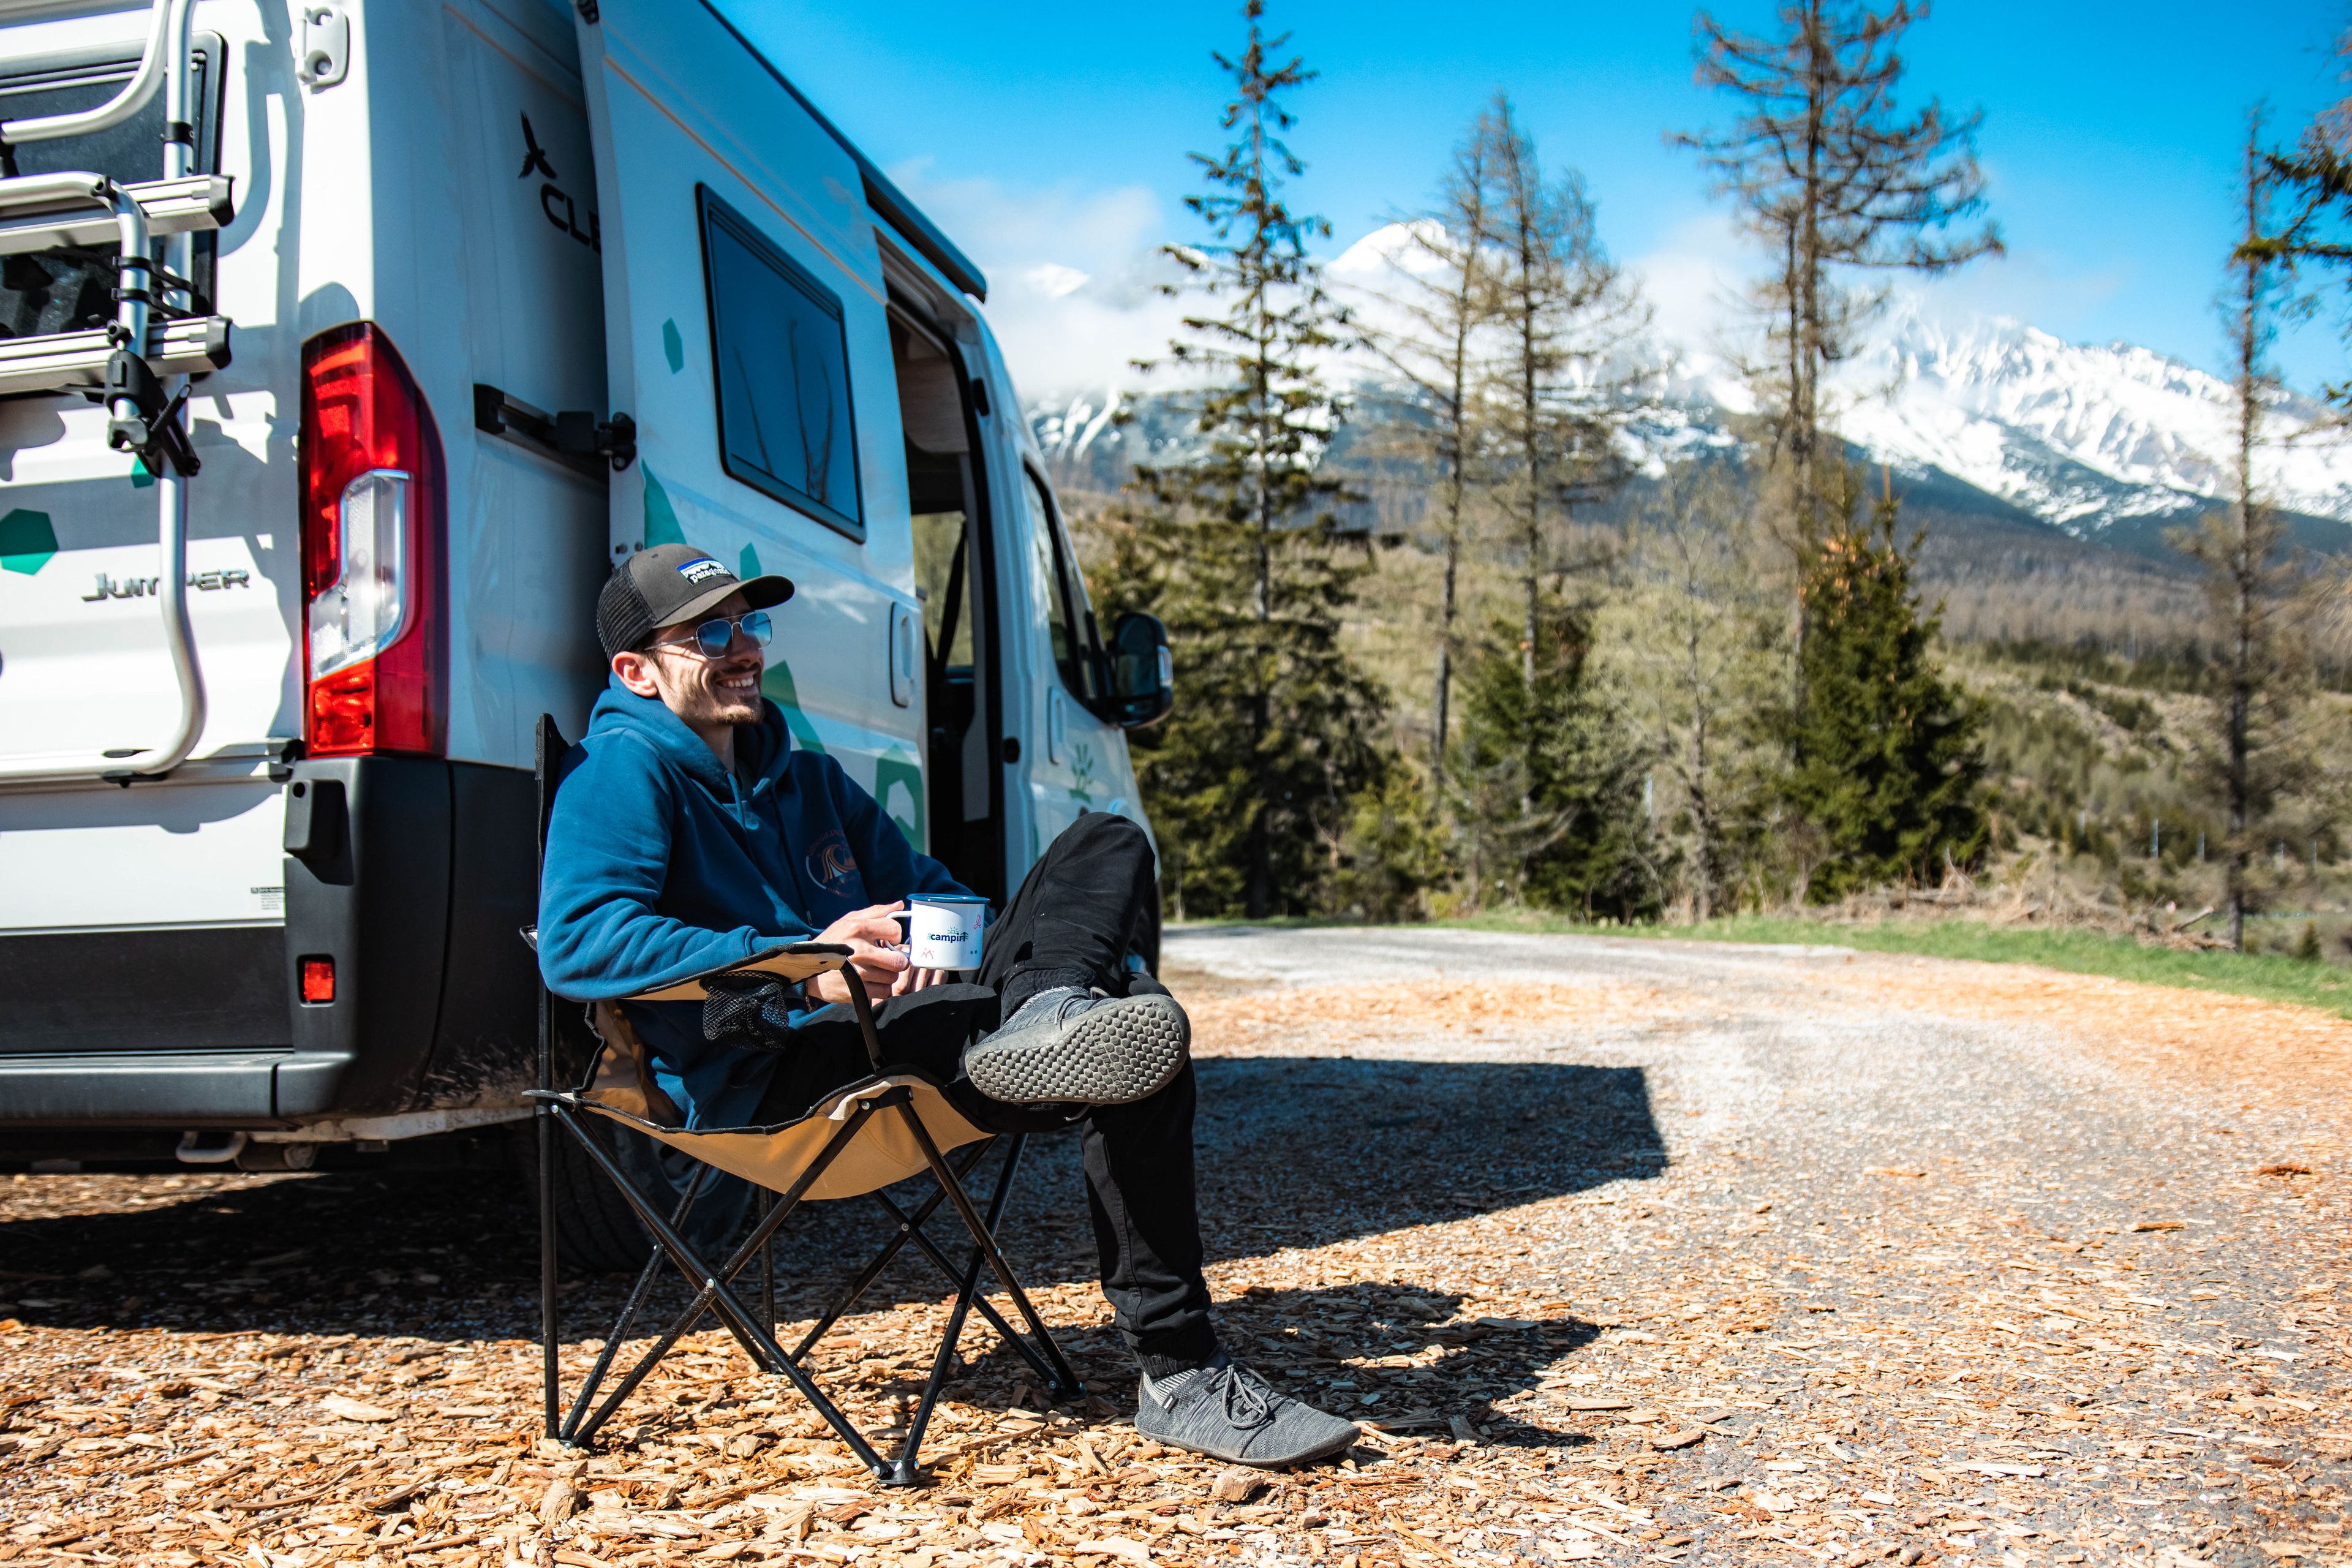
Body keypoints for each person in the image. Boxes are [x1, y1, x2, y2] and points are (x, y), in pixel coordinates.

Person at [537, 542, 1359, 1468]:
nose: (744, 648)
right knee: (1136, 1018)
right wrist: (803, 963)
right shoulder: (620, 772)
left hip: (889, 1027)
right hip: (777, 1072)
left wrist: (934, 937)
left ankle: (1047, 1009)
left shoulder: (803, 780)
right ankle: (1181, 1370)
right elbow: (579, 944)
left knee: (1105, 842)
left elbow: (937, 892)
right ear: (634, 671)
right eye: (711, 632)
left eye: (752, 623)